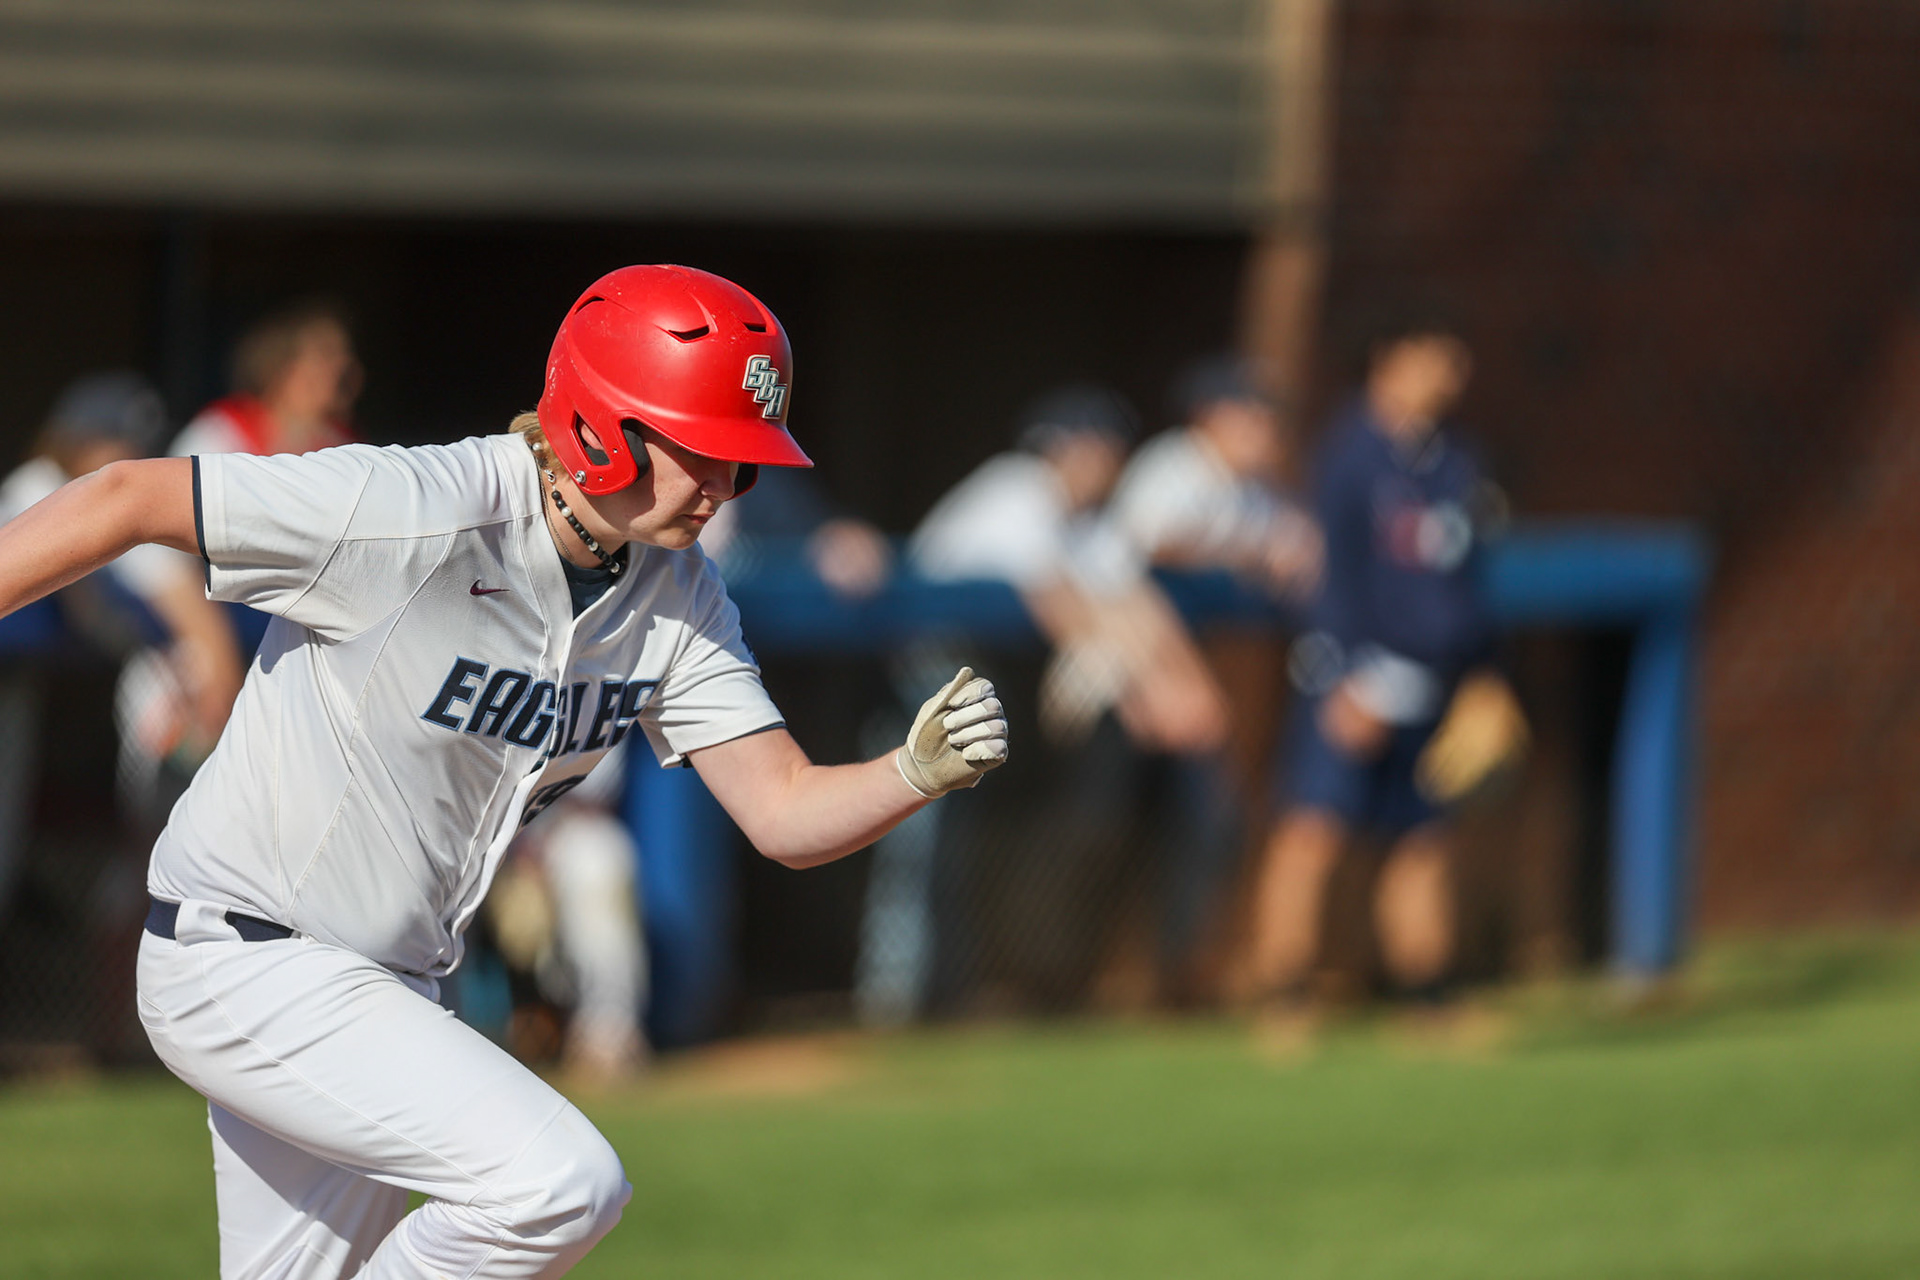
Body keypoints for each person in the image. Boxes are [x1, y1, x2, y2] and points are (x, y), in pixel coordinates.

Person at [0, 264, 1008, 1279]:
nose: (723, 487)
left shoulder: (680, 594)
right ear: (603, 424)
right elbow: (126, 496)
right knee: (558, 1182)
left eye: (744, 464)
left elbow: (783, 808)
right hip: (251, 956)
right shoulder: (414, 510)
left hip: (388, 983)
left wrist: (909, 771)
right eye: (704, 451)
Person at [902, 385, 1227, 1012]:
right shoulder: (1017, 487)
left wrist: (1189, 690)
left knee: (984, 826)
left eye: (1111, 450)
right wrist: (1147, 691)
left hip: (983, 686)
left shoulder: (1085, 522)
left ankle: (969, 986)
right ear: (1060, 450)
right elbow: (1063, 604)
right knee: (919, 831)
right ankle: (912, 996)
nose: (1106, 462)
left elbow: (1132, 603)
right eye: (1094, 448)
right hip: (911, 677)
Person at [1248, 319, 1521, 1023]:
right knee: (1316, 829)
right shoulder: (1349, 454)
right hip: (1354, 677)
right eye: (1438, 356)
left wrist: (1485, 673)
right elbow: (1324, 573)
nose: (1453, 372)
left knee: (1423, 836)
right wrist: (1342, 675)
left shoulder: (1457, 460)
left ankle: (1428, 994)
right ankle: (1284, 995)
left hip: (1437, 679)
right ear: (1391, 359)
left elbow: (1468, 577)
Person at [0, 372, 244, 823]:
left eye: (140, 444)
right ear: (74, 439)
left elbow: (189, 607)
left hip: (28, 686)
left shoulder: (127, 504)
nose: (131, 457)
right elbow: (83, 603)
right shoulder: (35, 485)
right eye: (114, 441)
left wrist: (196, 675)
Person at [1109, 354, 1320, 601]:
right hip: (1122, 603)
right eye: (1249, 414)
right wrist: (1243, 557)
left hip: (1199, 609)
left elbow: (1294, 537)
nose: (1264, 427)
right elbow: (1151, 548)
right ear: (1208, 415)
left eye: (1268, 416)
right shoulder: (1174, 465)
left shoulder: (1253, 483)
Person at [170, 299, 361, 458]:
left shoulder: (344, 447)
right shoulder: (219, 436)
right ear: (281, 368)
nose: (344, 369)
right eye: (326, 356)